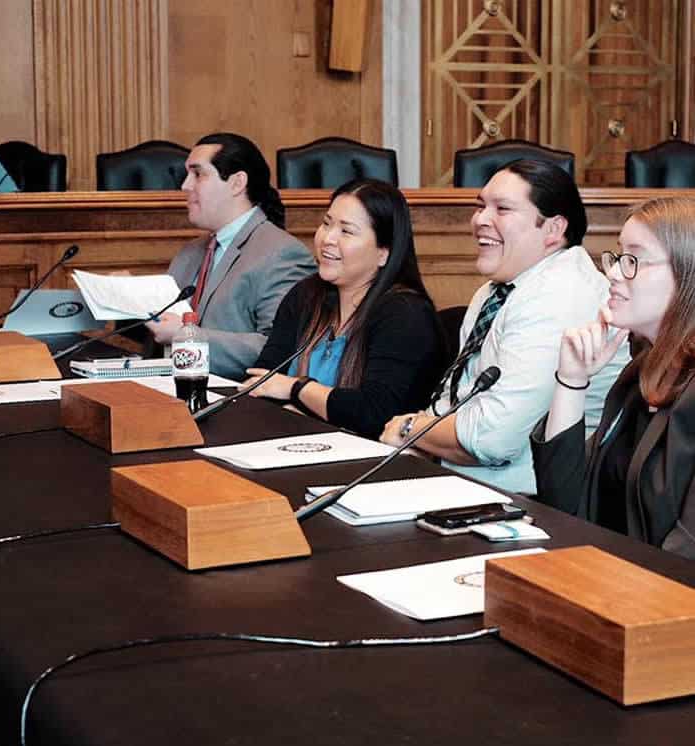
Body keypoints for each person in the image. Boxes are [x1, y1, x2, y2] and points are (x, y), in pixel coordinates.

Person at [380, 159, 629, 494]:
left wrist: (410, 427)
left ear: (553, 229)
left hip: (538, 504)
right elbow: (460, 401)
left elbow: (491, 440)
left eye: (503, 209)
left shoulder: (560, 295)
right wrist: (420, 433)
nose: (480, 219)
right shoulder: (499, 288)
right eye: (480, 206)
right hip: (471, 485)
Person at [531, 197, 695, 559]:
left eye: (634, 260)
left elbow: (686, 553)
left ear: (688, 274)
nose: (615, 273)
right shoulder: (639, 374)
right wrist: (571, 380)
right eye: (619, 257)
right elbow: (563, 504)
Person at [241, 178, 444, 439]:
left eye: (346, 231)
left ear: (384, 252)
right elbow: (262, 381)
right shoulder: (306, 296)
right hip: (292, 445)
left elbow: (376, 414)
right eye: (326, 224)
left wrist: (297, 390)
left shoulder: (406, 315)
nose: (327, 238)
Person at [146, 132, 316, 379]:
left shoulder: (283, 254)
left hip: (237, 403)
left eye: (198, 174)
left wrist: (186, 336)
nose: (185, 186)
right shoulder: (190, 252)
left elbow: (281, 350)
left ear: (237, 183)